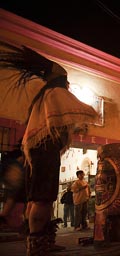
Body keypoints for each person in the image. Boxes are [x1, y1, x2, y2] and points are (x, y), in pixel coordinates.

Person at [0, 41, 98, 254]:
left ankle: (41, 240)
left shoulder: (42, 98)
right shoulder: (55, 93)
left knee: (37, 198)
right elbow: (81, 110)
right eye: (67, 81)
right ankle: (37, 244)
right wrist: (93, 113)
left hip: (37, 152)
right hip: (45, 151)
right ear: (61, 80)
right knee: (42, 198)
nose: (68, 85)